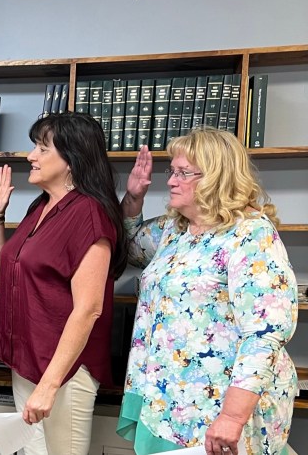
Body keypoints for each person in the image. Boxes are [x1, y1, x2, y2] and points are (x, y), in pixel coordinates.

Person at [116, 129, 297, 455]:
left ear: (217, 177)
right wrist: (134, 198)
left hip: (223, 407)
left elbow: (265, 331)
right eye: (171, 171)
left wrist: (232, 416)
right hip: (170, 401)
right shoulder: (175, 228)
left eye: (183, 173)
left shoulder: (249, 232)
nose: (171, 180)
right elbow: (130, 247)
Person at [0, 112, 126, 455]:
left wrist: (49, 386)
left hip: (64, 371)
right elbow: (5, 277)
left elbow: (89, 309)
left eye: (42, 148)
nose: (31, 156)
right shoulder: (41, 207)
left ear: (71, 160)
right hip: (29, 360)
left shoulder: (90, 213)